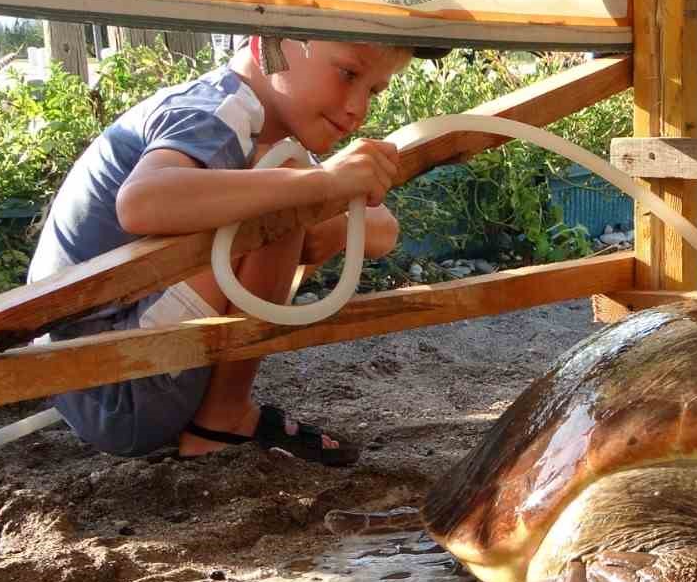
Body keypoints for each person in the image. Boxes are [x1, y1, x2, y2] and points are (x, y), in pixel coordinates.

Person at [27, 35, 441, 466]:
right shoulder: (218, 112)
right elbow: (141, 202)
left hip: (103, 380)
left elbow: (382, 232)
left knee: (286, 196)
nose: (359, 107)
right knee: (284, 200)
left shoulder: (265, 137)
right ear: (271, 46)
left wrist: (323, 206)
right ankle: (221, 421)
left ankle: (221, 412)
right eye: (348, 73)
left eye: (374, 89)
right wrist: (319, 187)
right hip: (113, 382)